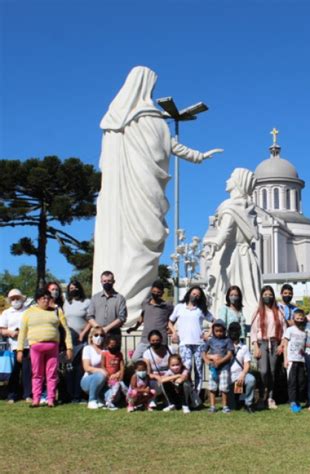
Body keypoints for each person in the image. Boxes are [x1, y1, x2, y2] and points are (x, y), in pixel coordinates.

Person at [93, 65, 222, 320]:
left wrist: (198, 156)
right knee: (132, 240)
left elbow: (171, 146)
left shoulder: (150, 118)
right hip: (125, 190)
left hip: (147, 189)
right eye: (150, 84)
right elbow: (109, 161)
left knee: (147, 239)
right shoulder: (118, 121)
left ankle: (134, 308)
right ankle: (122, 312)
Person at [204, 168, 261, 324]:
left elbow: (225, 231)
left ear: (237, 182)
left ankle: (226, 318)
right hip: (246, 256)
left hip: (231, 255)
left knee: (226, 287)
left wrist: (214, 245)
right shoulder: (247, 207)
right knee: (246, 289)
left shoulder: (231, 206)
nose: (226, 180)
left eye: (230, 177)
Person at [17, 288, 73, 407]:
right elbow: (22, 332)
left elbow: (66, 330)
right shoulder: (28, 312)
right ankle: (36, 399)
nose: (46, 300)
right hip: (35, 347)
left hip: (53, 347)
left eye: (48, 298)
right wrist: (20, 350)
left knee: (52, 374)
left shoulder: (57, 311)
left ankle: (51, 399)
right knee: (37, 374)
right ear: (37, 300)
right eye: (43, 298)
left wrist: (69, 347)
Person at [168, 286, 214, 393]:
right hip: (184, 343)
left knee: (198, 370)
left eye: (198, 295)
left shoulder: (201, 309)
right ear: (189, 294)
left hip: (199, 344)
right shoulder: (179, 307)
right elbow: (170, 322)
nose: (195, 297)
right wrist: (174, 332)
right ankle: (186, 393)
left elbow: (215, 321)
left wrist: (208, 334)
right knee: (185, 369)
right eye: (193, 294)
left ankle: (197, 395)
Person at [250, 285, 286, 409]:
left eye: (270, 295)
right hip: (262, 343)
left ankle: (270, 398)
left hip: (275, 343)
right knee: (263, 371)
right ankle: (261, 396)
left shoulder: (279, 311)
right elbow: (253, 330)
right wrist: (255, 346)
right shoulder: (258, 312)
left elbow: (284, 330)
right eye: (265, 295)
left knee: (272, 372)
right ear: (262, 296)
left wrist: (282, 345)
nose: (268, 297)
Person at [128, 280, 174, 362]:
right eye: (154, 291)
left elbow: (173, 318)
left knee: (163, 360)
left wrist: (171, 328)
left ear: (162, 293)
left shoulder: (167, 306)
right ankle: (150, 364)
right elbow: (141, 317)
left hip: (161, 339)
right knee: (135, 358)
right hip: (146, 338)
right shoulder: (145, 303)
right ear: (151, 291)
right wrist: (134, 328)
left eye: (158, 292)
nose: (156, 294)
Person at [0, 289, 32, 403]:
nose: (15, 300)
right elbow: (2, 329)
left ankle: (27, 394)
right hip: (12, 345)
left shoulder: (29, 311)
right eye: (12, 299)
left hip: (27, 345)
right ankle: (12, 395)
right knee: (13, 371)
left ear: (21, 298)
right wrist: (10, 332)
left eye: (17, 298)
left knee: (27, 371)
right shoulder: (6, 313)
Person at [63, 280, 90, 402]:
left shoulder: (87, 302)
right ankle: (69, 394)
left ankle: (79, 395)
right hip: (70, 338)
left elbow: (90, 319)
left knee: (80, 367)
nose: (73, 290)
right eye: (71, 288)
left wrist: (83, 333)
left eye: (75, 287)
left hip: (82, 338)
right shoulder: (66, 303)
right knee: (69, 367)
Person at [202, 319, 234, 413]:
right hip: (213, 368)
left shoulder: (228, 340)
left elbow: (229, 354)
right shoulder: (210, 341)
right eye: (217, 331)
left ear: (225, 330)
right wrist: (208, 361)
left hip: (224, 368)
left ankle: (225, 406)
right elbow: (203, 353)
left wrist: (220, 362)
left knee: (224, 388)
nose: (219, 333)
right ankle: (212, 406)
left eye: (221, 331)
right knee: (212, 387)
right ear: (213, 331)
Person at [87, 271, 127, 338]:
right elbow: (90, 316)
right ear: (101, 282)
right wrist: (99, 328)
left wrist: (106, 329)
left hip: (114, 334)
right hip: (97, 334)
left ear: (113, 281)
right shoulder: (95, 298)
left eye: (109, 281)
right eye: (104, 281)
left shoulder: (120, 298)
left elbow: (122, 317)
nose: (107, 283)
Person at [228, 322, 256, 413]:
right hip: (228, 377)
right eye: (232, 330)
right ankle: (234, 401)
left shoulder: (244, 347)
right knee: (233, 407)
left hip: (239, 376)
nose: (234, 333)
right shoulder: (225, 345)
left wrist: (242, 375)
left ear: (240, 332)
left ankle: (248, 403)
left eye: (236, 331)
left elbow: (247, 364)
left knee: (251, 379)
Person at [283, 309, 307, 413]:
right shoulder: (290, 330)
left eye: (301, 318)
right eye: (297, 318)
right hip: (292, 360)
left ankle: (297, 400)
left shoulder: (305, 331)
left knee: (301, 382)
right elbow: (285, 345)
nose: (299, 320)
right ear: (293, 319)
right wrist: (285, 359)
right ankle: (292, 402)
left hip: (301, 360)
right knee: (292, 382)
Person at [81, 327, 107, 409]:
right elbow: (86, 368)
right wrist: (101, 370)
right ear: (91, 337)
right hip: (88, 380)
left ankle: (98, 398)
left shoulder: (106, 350)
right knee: (100, 375)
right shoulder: (87, 349)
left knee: (114, 397)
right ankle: (92, 400)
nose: (99, 337)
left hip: (104, 381)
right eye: (96, 335)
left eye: (102, 335)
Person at [102, 334, 128, 410]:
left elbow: (122, 366)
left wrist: (120, 376)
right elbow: (102, 366)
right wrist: (108, 376)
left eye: (114, 345)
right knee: (116, 386)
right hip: (109, 378)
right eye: (111, 345)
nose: (113, 347)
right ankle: (109, 401)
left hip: (117, 377)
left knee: (123, 386)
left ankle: (130, 400)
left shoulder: (119, 354)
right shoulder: (104, 354)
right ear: (107, 345)